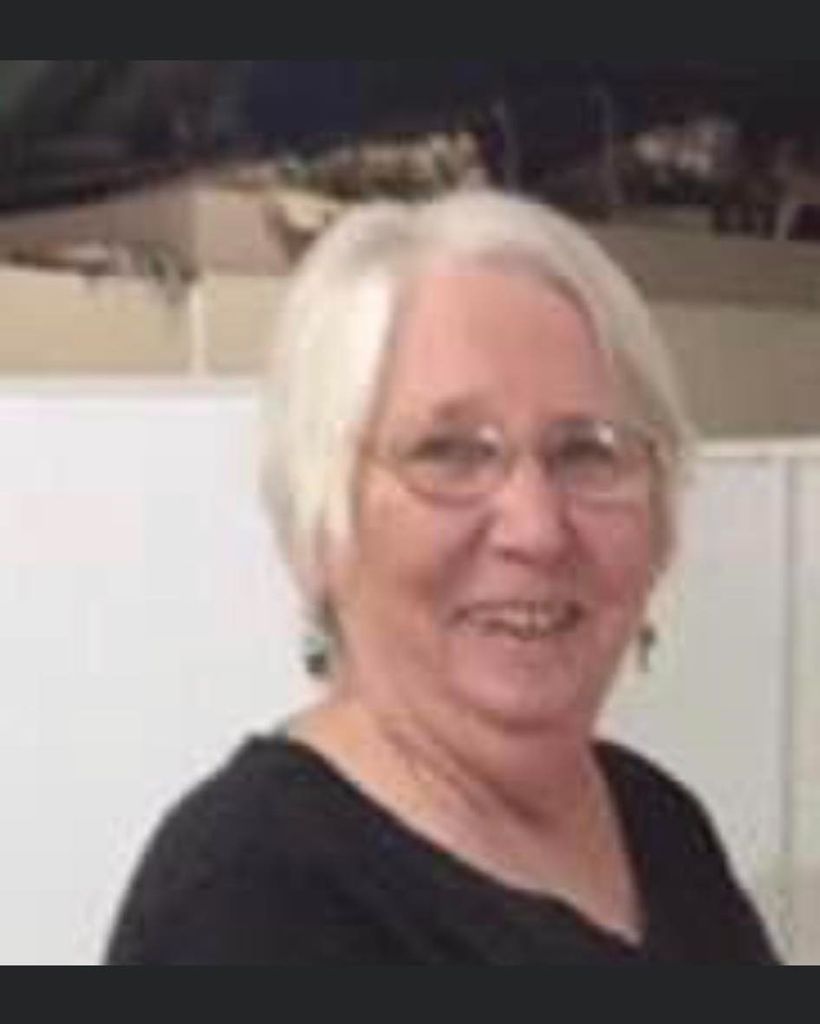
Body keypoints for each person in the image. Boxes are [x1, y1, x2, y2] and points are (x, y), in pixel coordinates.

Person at [106, 190, 779, 965]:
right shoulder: (245, 904)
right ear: (324, 520)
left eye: (587, 451)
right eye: (449, 453)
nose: (536, 528)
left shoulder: (657, 824)